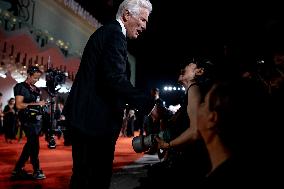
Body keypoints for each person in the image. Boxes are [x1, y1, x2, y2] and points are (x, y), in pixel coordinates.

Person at [63, 0, 153, 188]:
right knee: (93, 180)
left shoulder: (109, 33)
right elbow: (114, 78)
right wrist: (150, 105)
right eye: (143, 20)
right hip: (94, 124)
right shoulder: (114, 34)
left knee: (83, 177)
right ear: (127, 15)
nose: (145, 26)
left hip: (90, 121)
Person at [11, 66, 47, 180]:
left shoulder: (36, 89)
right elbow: (19, 105)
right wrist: (37, 104)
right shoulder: (20, 87)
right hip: (26, 120)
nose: (36, 80)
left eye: (38, 78)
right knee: (34, 145)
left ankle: (18, 169)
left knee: (30, 145)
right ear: (29, 75)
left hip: (36, 120)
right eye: (35, 78)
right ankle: (36, 169)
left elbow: (36, 104)